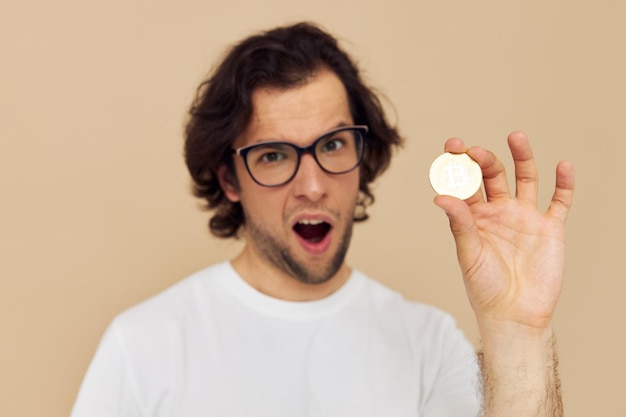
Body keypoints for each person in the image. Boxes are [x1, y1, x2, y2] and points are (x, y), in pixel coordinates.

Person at [70, 22, 575, 417]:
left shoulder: (428, 344)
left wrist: (518, 334)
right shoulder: (143, 345)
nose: (312, 186)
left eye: (333, 145)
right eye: (274, 155)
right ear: (229, 179)